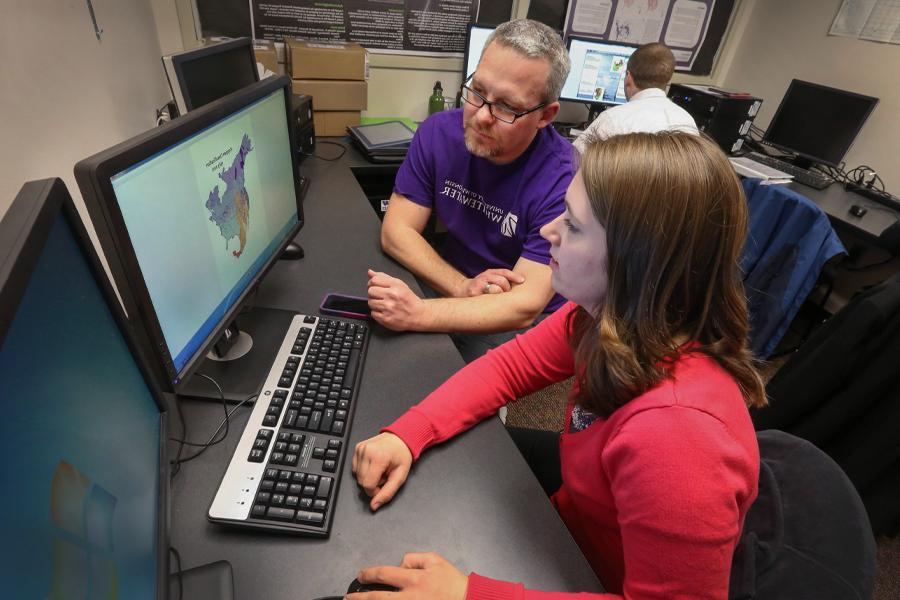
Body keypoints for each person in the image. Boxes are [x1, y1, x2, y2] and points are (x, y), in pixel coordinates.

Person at [349, 131, 767, 599]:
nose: (549, 231)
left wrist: (469, 596)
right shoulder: (604, 315)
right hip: (567, 530)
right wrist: (409, 431)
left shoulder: (679, 440)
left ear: (634, 260)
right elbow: (510, 368)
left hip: (589, 576)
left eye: (571, 224)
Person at [367, 19, 576, 364]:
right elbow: (396, 231)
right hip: (454, 280)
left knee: (434, 378)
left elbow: (524, 304)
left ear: (546, 115)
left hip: (518, 315)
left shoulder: (564, 181)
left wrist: (420, 313)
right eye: (477, 91)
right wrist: (461, 287)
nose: (481, 117)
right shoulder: (438, 133)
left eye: (507, 107)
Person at [573, 42, 697, 153]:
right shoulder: (688, 122)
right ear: (667, 79)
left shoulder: (613, 120)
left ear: (628, 77)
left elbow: (573, 160)